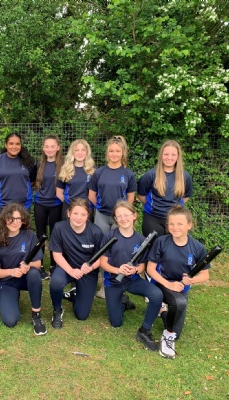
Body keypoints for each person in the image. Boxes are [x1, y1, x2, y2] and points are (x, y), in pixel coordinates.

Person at [147, 205, 210, 359]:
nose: (175, 227)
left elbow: (205, 275)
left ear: (190, 225)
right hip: (161, 283)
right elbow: (150, 269)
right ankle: (166, 335)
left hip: (182, 288)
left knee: (177, 333)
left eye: (180, 224)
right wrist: (168, 284)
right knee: (179, 305)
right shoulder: (161, 242)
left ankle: (162, 311)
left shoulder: (197, 247)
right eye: (171, 224)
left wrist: (192, 279)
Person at [100, 201, 163, 351]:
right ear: (115, 219)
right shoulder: (110, 236)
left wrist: (135, 270)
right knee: (116, 323)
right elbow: (102, 263)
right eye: (119, 216)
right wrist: (117, 270)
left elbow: (142, 266)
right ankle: (124, 302)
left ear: (134, 216)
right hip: (113, 282)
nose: (123, 219)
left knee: (156, 294)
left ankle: (145, 330)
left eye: (126, 215)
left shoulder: (141, 240)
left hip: (132, 280)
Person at [88, 135, 137, 299]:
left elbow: (130, 198)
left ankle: (120, 280)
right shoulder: (99, 172)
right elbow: (91, 195)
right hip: (102, 216)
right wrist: (101, 207)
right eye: (111, 151)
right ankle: (105, 284)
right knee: (102, 249)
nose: (114, 154)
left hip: (120, 219)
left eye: (117, 151)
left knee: (118, 249)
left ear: (123, 153)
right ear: (107, 153)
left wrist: (122, 215)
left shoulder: (128, 174)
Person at [0, 203, 46, 335]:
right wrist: (12, 272)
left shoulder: (30, 235)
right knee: (10, 320)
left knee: (34, 274)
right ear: (4, 219)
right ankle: (13, 297)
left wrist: (28, 266)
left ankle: (36, 315)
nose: (15, 222)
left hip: (26, 278)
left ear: (23, 220)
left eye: (18, 218)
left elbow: (38, 263)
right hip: (8, 281)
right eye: (11, 218)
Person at [48, 198, 103, 329]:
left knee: (81, 315)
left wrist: (90, 267)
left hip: (87, 272)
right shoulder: (59, 227)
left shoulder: (96, 232)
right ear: (68, 213)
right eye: (75, 213)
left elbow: (100, 258)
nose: (78, 218)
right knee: (55, 282)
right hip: (67, 268)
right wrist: (71, 270)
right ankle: (57, 310)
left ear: (88, 215)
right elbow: (57, 254)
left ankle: (75, 294)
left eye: (83, 214)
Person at [137, 140, 193, 238]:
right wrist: (155, 205)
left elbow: (186, 197)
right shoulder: (150, 175)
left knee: (173, 246)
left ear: (178, 157)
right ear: (161, 156)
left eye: (173, 155)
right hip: (152, 218)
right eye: (166, 154)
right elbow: (141, 196)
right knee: (154, 246)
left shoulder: (185, 177)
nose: (169, 158)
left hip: (175, 219)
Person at [34, 134, 63, 279]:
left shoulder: (63, 165)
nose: (49, 149)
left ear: (58, 148)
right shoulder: (39, 164)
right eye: (47, 146)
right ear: (43, 148)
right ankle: (39, 265)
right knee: (41, 235)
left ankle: (53, 265)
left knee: (54, 235)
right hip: (40, 203)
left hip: (56, 204)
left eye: (52, 146)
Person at [0, 133, 36, 218]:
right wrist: (0, 191)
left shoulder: (28, 161)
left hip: (24, 205)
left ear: (20, 145)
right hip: (3, 205)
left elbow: (32, 181)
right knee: (3, 227)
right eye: (11, 143)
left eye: (17, 144)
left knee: (23, 227)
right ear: (6, 145)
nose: (14, 146)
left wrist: (22, 188)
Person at [56, 139, 95, 220]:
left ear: (87, 152)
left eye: (83, 150)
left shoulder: (93, 171)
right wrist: (70, 204)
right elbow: (59, 193)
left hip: (87, 209)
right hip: (69, 208)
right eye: (76, 150)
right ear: (72, 152)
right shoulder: (65, 170)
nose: (80, 153)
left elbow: (95, 193)